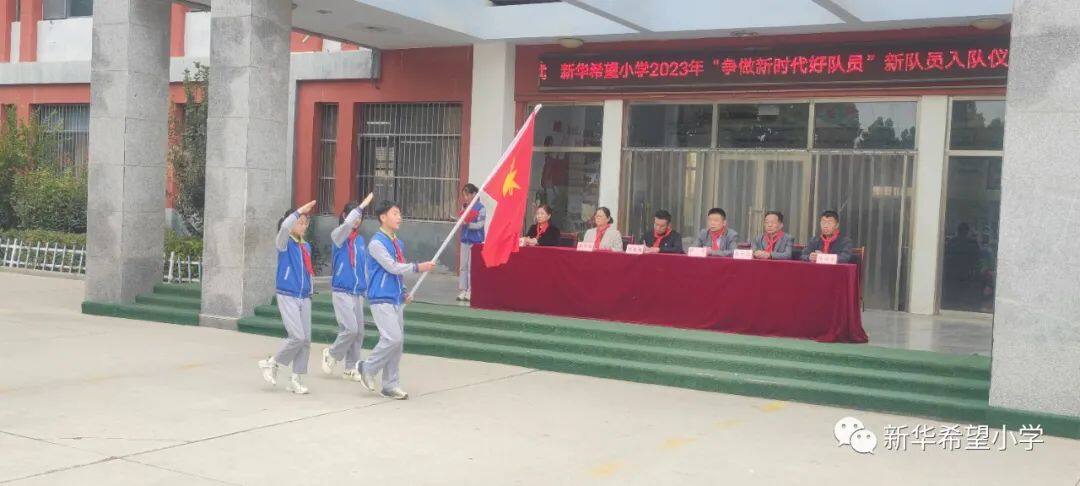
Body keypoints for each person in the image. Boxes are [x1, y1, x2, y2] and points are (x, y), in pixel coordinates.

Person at [353, 200, 436, 400]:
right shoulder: (376, 243)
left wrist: (404, 291)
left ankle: (390, 384)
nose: (399, 217)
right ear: (383, 217)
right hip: (380, 297)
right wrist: (418, 267)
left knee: (397, 344)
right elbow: (392, 266)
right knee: (392, 338)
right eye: (395, 213)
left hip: (394, 297)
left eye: (399, 213)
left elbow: (397, 272)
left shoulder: (397, 243)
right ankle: (367, 367)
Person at [258, 200, 318, 395]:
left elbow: (307, 271)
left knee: (306, 340)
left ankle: (296, 379)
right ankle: (273, 362)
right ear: (291, 223)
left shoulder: (306, 246)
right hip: (288, 294)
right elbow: (284, 227)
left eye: (305, 223)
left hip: (304, 296)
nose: (303, 226)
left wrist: (310, 290)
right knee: (297, 336)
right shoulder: (283, 243)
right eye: (300, 222)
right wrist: (300, 211)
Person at [321, 196, 371, 381]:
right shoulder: (338, 236)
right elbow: (348, 225)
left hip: (358, 291)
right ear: (345, 216)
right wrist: (361, 206)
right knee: (350, 329)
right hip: (342, 290)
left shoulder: (360, 240)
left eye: (360, 217)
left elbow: (364, 266)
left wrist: (367, 287)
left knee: (359, 332)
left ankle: (350, 368)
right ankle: (332, 353)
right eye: (354, 216)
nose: (357, 220)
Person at [458, 183, 485, 302]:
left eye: (467, 195)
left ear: (474, 194)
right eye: (464, 195)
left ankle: (470, 290)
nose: (466, 198)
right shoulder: (464, 206)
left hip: (475, 240)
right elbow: (461, 219)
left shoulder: (481, 208)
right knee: (463, 266)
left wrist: (469, 224)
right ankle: (463, 290)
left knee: (471, 267)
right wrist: (461, 221)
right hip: (465, 239)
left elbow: (480, 224)